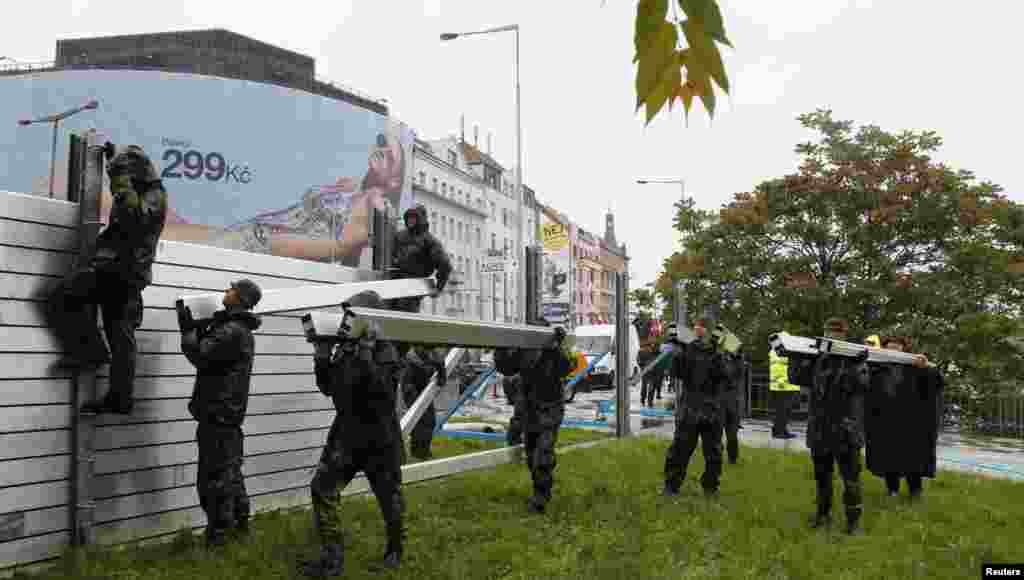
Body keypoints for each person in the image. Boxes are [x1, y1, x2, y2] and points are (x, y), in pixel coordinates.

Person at [49, 144, 168, 415]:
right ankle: (116, 393)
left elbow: (132, 217)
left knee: (64, 299)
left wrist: (120, 179)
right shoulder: (144, 190)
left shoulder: (153, 194)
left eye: (125, 172)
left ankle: (94, 358)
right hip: (118, 272)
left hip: (122, 274)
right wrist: (116, 161)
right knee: (120, 337)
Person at [301, 291, 406, 576]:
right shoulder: (345, 347)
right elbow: (329, 388)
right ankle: (331, 560)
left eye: (353, 313)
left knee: (389, 497)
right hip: (347, 433)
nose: (347, 318)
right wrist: (322, 356)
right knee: (322, 488)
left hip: (378, 437)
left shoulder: (386, 349)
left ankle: (394, 552)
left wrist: (366, 353)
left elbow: (380, 394)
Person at [181, 279, 262, 548]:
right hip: (226, 418)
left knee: (213, 481)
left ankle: (218, 539)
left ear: (240, 299)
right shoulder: (235, 329)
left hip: (218, 416)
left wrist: (188, 330)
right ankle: (239, 531)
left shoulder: (232, 331)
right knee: (230, 475)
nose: (225, 292)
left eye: (231, 290)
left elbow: (201, 354)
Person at [787, 317, 870, 534]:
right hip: (820, 427)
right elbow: (797, 378)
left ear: (844, 335)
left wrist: (856, 365)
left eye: (837, 332)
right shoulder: (818, 358)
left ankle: (853, 521)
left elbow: (859, 386)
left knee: (851, 479)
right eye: (828, 331)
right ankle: (822, 514)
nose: (832, 336)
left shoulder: (854, 357)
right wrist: (794, 357)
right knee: (822, 476)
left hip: (846, 429)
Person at [493, 322, 574, 514]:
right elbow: (506, 368)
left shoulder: (553, 349)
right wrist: (500, 346)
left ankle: (540, 497)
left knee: (543, 453)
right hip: (529, 408)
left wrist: (556, 347)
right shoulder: (524, 349)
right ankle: (540, 488)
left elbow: (566, 367)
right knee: (531, 454)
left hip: (550, 407)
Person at [865, 335, 944, 500]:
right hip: (885, 421)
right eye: (890, 348)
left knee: (913, 458)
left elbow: (937, 383)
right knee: (888, 458)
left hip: (911, 422)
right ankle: (892, 490)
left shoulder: (915, 366)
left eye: (897, 348)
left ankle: (915, 491)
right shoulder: (876, 367)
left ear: (904, 349)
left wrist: (926, 368)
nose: (893, 351)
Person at [662, 318, 730, 498]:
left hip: (708, 409)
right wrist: (678, 353)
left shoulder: (717, 352)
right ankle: (672, 486)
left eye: (701, 329)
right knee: (681, 449)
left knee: (712, 452)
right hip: (693, 408)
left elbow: (727, 375)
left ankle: (710, 488)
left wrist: (719, 355)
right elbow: (676, 372)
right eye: (696, 328)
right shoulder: (688, 349)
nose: (698, 331)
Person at [387, 204, 451, 314]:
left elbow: (445, 264)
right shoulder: (399, 236)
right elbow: (392, 257)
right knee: (386, 311)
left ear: (421, 219)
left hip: (415, 285)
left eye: (414, 217)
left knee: (405, 312)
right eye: (409, 217)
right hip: (394, 282)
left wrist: (439, 287)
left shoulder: (429, 241)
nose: (411, 220)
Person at [401, 346, 447, 461]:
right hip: (411, 389)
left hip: (424, 390)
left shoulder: (433, 354)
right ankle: (418, 452)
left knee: (430, 421)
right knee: (419, 421)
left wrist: (441, 376)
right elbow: (407, 382)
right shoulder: (410, 359)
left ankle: (424, 450)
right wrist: (414, 398)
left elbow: (441, 367)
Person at [769, 345, 800, 439]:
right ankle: (779, 431)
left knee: (784, 410)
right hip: (782, 385)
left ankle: (782, 430)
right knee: (782, 410)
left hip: (783, 385)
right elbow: (786, 368)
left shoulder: (777, 351)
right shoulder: (781, 352)